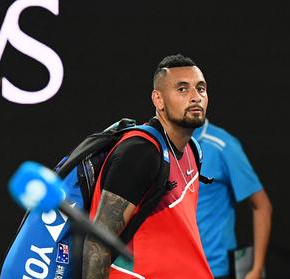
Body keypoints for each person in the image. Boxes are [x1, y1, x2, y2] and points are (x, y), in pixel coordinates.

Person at [83, 54, 213, 278]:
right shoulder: (141, 152)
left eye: (200, 89)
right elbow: (98, 242)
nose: (195, 97)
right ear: (158, 99)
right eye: (182, 89)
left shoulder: (192, 149)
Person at [194, 120, 272, 279]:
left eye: (199, 92)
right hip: (168, 268)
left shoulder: (223, 145)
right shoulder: (158, 144)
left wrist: (256, 269)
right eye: (181, 92)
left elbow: (262, 205)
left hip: (214, 270)